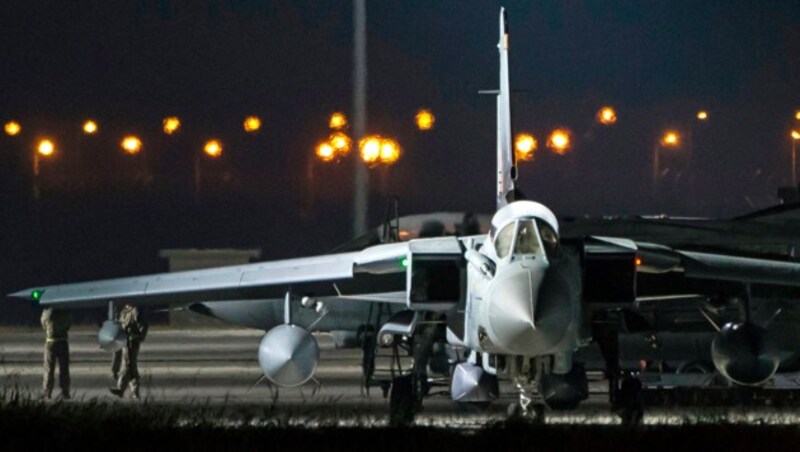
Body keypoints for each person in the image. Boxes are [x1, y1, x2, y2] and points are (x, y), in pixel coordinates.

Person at [109, 304, 148, 399]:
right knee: (129, 366)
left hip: (131, 342)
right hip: (125, 342)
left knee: (128, 365)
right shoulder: (124, 311)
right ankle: (134, 391)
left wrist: (139, 336)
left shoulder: (135, 311)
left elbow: (143, 325)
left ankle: (121, 389)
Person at [41, 307, 71, 400]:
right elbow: (68, 325)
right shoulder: (65, 312)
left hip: (51, 341)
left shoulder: (47, 312)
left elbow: (43, 324)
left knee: (49, 368)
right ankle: (65, 391)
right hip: (63, 341)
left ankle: (47, 391)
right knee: (64, 369)